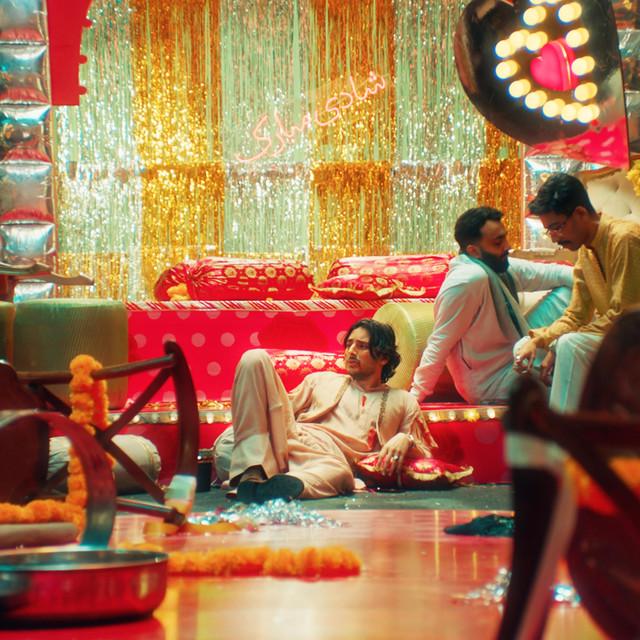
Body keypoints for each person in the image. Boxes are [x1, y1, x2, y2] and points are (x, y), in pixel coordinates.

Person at [228, 319, 437, 503]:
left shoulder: (403, 400)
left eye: (361, 346)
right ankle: (252, 472)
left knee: (341, 475)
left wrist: (406, 439)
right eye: (349, 344)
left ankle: (267, 488)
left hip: (328, 462)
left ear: (383, 357)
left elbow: (426, 454)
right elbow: (276, 411)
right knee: (254, 357)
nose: (351, 351)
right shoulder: (319, 379)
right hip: (291, 440)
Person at [410, 206, 573, 405]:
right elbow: (439, 343)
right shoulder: (467, 281)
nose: (507, 246)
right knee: (572, 379)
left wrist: (602, 281)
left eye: (505, 238)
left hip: (518, 351)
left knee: (573, 290)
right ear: (473, 251)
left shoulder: (498, 264)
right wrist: (415, 397)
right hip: (491, 382)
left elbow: (556, 274)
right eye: (498, 242)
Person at [514, 172, 640, 412]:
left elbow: (623, 317)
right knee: (525, 348)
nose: (554, 238)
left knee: (571, 345)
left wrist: (556, 345)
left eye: (557, 227)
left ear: (580, 213)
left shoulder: (625, 239)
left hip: (632, 340)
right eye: (549, 230)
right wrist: (540, 340)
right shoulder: (585, 251)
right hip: (617, 343)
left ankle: (562, 432)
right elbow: (576, 315)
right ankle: (569, 417)